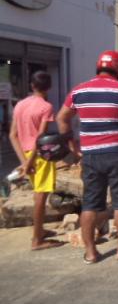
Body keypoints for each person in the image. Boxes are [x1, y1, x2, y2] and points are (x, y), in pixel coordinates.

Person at [56, 50, 118, 263]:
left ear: (98, 67)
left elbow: (62, 118)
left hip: (91, 155)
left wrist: (72, 146)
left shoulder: (79, 91)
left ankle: (91, 253)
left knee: (91, 203)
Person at [9, 71, 62, 250]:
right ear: (49, 87)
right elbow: (39, 138)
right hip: (40, 156)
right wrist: (30, 161)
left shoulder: (19, 105)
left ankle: (39, 231)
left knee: (36, 194)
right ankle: (37, 240)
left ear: (32, 85)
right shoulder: (46, 107)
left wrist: (23, 161)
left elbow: (13, 135)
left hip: (26, 154)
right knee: (41, 196)